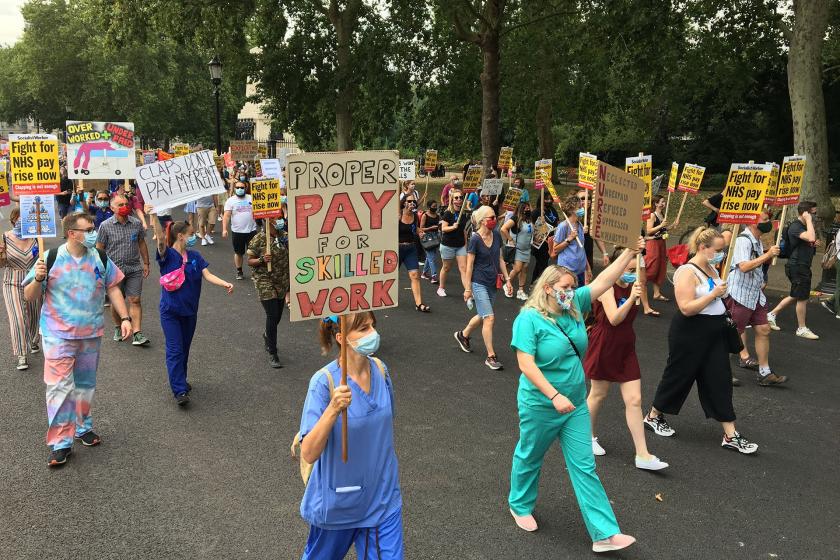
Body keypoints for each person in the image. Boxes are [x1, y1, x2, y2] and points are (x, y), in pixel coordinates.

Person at [508, 247, 642, 553]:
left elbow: (606, 279)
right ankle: (519, 504)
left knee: (585, 466)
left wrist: (630, 253)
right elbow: (526, 363)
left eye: (573, 287)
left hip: (575, 405)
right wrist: (553, 396)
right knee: (530, 456)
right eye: (565, 288)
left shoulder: (575, 305)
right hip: (541, 405)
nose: (571, 292)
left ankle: (604, 533)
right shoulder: (529, 319)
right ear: (547, 289)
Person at [23, 212, 131, 467]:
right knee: (59, 388)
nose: (94, 232)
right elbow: (29, 295)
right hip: (57, 336)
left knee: (85, 386)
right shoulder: (50, 258)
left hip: (90, 335)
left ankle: (83, 428)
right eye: (89, 228)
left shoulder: (100, 257)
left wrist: (125, 317)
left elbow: (113, 287)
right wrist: (38, 278)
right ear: (72, 233)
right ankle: (60, 443)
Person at [644, 227, 759, 454]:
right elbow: (686, 308)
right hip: (690, 331)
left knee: (720, 379)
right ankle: (653, 415)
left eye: (723, 250)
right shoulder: (686, 272)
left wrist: (723, 293)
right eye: (718, 250)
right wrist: (713, 295)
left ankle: (730, 434)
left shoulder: (712, 268)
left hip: (714, 331)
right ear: (703, 248)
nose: (722, 254)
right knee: (679, 375)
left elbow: (718, 297)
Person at [298, 312, 402, 559]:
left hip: (382, 498)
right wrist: (333, 409)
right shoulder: (323, 383)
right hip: (339, 503)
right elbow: (309, 452)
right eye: (364, 329)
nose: (373, 334)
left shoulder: (381, 370)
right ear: (341, 337)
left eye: (372, 326)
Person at [585, 246, 669, 471]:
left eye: (635, 268)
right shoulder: (605, 287)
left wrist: (636, 294)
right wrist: (632, 298)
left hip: (626, 345)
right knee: (598, 394)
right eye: (628, 268)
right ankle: (587, 437)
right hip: (605, 343)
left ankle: (642, 454)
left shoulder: (636, 285)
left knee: (634, 400)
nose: (632, 272)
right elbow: (613, 319)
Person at [148, 208, 233, 406]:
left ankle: (181, 380)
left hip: (190, 312)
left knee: (184, 348)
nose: (194, 237)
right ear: (180, 236)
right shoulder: (166, 255)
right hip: (170, 312)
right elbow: (160, 239)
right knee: (175, 349)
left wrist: (225, 283)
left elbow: (208, 275)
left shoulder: (195, 256)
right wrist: (153, 215)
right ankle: (179, 390)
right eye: (191, 234)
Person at [726, 211, 786, 386]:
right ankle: (720, 371)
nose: (769, 223)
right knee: (731, 334)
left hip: (754, 295)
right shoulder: (742, 241)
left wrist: (760, 280)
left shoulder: (757, 241)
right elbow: (743, 266)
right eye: (765, 220)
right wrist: (767, 256)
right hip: (740, 295)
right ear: (752, 222)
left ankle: (765, 372)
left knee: (764, 330)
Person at [454, 205, 512, 370]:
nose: (495, 220)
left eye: (495, 217)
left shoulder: (496, 235)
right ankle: (491, 356)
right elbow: (469, 265)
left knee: (482, 314)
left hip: (492, 282)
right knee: (489, 318)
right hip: (478, 283)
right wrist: (467, 288)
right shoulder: (475, 239)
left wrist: (508, 279)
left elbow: (500, 259)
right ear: (482, 221)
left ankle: (463, 335)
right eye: (491, 218)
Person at [96, 194, 151, 347]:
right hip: (114, 271)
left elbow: (141, 243)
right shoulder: (105, 226)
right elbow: (99, 248)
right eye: (120, 205)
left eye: (126, 203)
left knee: (135, 299)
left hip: (134, 268)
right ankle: (118, 326)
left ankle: (137, 333)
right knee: (116, 301)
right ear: (112, 208)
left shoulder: (136, 224)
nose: (124, 207)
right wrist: (101, 268)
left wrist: (146, 262)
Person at [767, 201, 821, 339]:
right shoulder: (796, 226)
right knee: (802, 297)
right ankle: (801, 328)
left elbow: (811, 239)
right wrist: (809, 221)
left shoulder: (804, 226)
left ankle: (771, 314)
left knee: (797, 294)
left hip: (802, 265)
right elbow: (810, 237)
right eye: (813, 213)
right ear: (805, 213)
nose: (815, 216)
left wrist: (814, 243)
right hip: (797, 266)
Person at [1, 208, 42, 370]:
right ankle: (21, 354)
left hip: (33, 281)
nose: (22, 221)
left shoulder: (37, 237)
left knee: (33, 314)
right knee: (17, 317)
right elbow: (1, 264)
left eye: (25, 218)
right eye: (19, 218)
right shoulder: (4, 237)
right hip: (12, 281)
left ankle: (33, 340)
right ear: (13, 220)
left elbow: (42, 258)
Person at [246, 217, 290, 369]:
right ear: (267, 221)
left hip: (281, 279)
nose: (278, 221)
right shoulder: (258, 239)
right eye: (274, 219)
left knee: (277, 316)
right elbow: (249, 260)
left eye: (279, 218)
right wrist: (261, 259)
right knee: (272, 315)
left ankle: (267, 335)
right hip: (264, 280)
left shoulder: (284, 236)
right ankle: (273, 352)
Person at [398, 196, 431, 312]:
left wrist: (420, 232)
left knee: (415, 275)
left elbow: (414, 228)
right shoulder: (398, 214)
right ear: (404, 203)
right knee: (390, 276)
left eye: (413, 201)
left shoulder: (415, 216)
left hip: (410, 249)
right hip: (396, 249)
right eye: (409, 201)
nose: (412, 203)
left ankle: (419, 304)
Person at [437, 188, 471, 297]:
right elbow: (444, 229)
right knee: (446, 268)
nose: (459, 200)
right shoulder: (448, 213)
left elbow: (464, 231)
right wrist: (453, 226)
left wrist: (466, 245)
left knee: (464, 269)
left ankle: (468, 291)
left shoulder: (464, 213)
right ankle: (441, 288)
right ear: (452, 200)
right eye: (456, 198)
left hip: (460, 245)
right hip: (448, 245)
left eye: (461, 197)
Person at [551, 196, 590, 286]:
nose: (582, 209)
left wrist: (587, 268)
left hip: (580, 270)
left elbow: (581, 248)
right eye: (579, 207)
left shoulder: (579, 224)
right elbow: (555, 249)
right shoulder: (563, 226)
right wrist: (569, 239)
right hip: (567, 271)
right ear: (572, 209)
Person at [223, 181, 258, 280]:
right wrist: (224, 229)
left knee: (253, 253)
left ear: (245, 188)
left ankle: (254, 272)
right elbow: (226, 216)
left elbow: (260, 210)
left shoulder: (251, 198)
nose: (240, 189)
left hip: (252, 230)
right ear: (234, 188)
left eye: (242, 187)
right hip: (237, 232)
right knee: (239, 252)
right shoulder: (230, 201)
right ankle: (239, 271)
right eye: (237, 187)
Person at [644, 194, 676, 302]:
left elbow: (664, 230)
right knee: (652, 267)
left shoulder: (662, 214)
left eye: (664, 201)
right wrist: (661, 225)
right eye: (662, 202)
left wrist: (672, 226)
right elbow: (649, 230)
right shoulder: (652, 215)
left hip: (662, 243)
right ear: (656, 203)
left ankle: (657, 293)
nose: (664, 204)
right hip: (653, 244)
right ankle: (638, 285)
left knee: (661, 267)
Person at [500, 202, 533, 300]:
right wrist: (510, 239)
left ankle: (521, 291)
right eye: (525, 208)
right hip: (517, 248)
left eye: (528, 208)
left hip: (527, 248)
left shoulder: (529, 220)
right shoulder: (515, 219)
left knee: (524, 269)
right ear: (520, 209)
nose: (527, 210)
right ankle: (507, 284)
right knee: (517, 268)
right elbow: (503, 228)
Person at [529, 197, 560, 288]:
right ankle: (540, 284)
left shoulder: (552, 210)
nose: (549, 201)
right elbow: (532, 226)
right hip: (540, 241)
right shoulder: (536, 212)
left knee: (542, 263)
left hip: (549, 241)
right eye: (546, 199)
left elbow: (557, 221)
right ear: (542, 200)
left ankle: (534, 282)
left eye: (550, 199)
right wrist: (540, 220)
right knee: (542, 263)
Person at [420, 199, 441, 284]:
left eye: (436, 206)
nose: (435, 208)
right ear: (429, 207)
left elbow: (439, 226)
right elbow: (421, 228)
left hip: (435, 238)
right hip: (427, 238)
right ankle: (434, 276)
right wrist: (430, 228)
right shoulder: (425, 215)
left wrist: (439, 228)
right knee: (431, 257)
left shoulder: (437, 215)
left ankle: (424, 273)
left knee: (430, 257)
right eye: (433, 207)